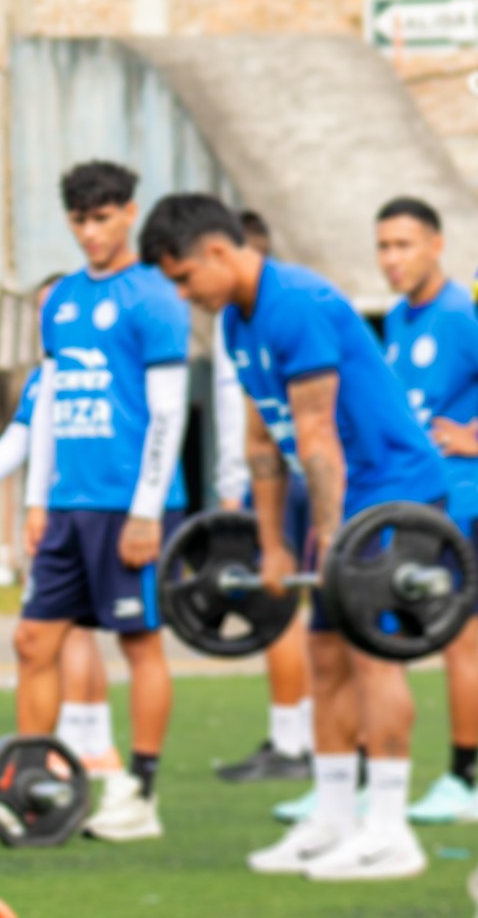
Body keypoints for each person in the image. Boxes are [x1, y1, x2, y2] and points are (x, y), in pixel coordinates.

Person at [143, 192, 448, 880]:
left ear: (219, 252)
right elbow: (262, 443)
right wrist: (273, 545)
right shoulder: (235, 322)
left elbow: (316, 436)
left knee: (373, 656)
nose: (184, 295)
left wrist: (335, 543)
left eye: (185, 279)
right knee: (324, 654)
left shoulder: (297, 304)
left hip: (390, 488)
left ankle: (391, 829)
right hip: (337, 495)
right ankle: (334, 819)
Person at [7, 162, 191, 844]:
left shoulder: (155, 298)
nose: (92, 232)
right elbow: (51, 403)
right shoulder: (60, 302)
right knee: (33, 641)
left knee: (140, 644)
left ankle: (139, 795)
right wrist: (36, 499)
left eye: (104, 217)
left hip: (130, 505)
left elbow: (170, 413)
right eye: (80, 220)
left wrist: (147, 510)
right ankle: (33, 787)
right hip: (68, 505)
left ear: (130, 213)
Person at [0, 345, 118, 775]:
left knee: (66, 631)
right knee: (62, 634)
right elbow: (20, 440)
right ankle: (87, 746)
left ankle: (81, 747)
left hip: (89, 514)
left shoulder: (108, 365)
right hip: (60, 517)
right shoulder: (46, 376)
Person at [374, 195, 478, 824]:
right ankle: (370, 777)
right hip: (416, 506)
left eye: (404, 245)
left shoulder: (462, 314)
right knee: (394, 641)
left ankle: (465, 780)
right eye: (383, 246)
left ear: (436, 245)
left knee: (463, 642)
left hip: (465, 502)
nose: (392, 259)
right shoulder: (396, 319)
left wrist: (474, 438)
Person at [212, 211, 314, 784]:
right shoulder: (235, 324)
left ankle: (302, 743)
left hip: (292, 475)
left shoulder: (281, 314)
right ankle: (291, 737)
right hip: (262, 477)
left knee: (293, 613)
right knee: (282, 611)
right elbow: (243, 421)